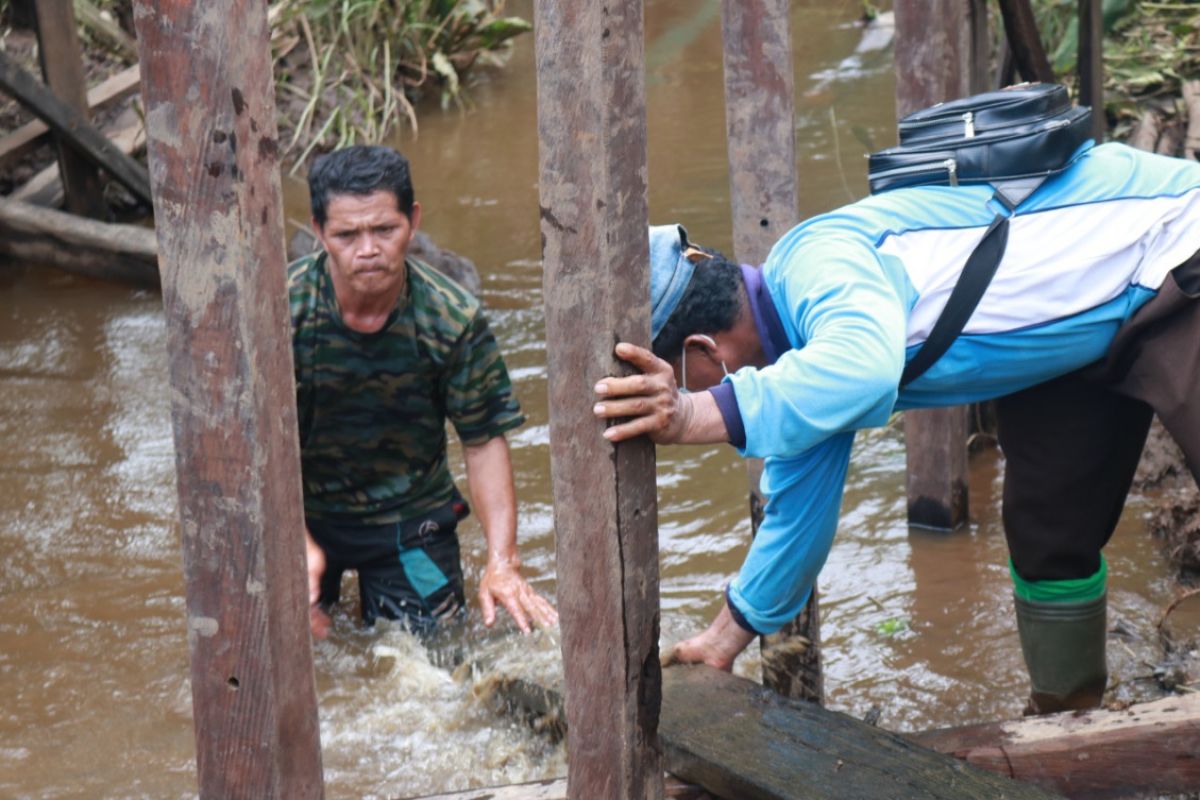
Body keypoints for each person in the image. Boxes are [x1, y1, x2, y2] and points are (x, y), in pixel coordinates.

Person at [592, 140, 1200, 714]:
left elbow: (864, 368)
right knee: (1049, 535)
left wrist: (698, 414)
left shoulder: (814, 261)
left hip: (1173, 253)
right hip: (1079, 340)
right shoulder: (800, 366)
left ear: (703, 350)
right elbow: (797, 515)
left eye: (681, 382)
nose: (692, 396)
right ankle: (1074, 730)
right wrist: (722, 641)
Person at [290, 145, 557, 640]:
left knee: (433, 662)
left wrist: (503, 560)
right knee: (289, 656)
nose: (367, 249)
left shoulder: (451, 317)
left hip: (408, 522)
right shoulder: (282, 312)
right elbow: (247, 449)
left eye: (384, 230)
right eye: (347, 235)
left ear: (412, 222)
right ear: (318, 231)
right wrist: (291, 542)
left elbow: (482, 440)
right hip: (300, 514)